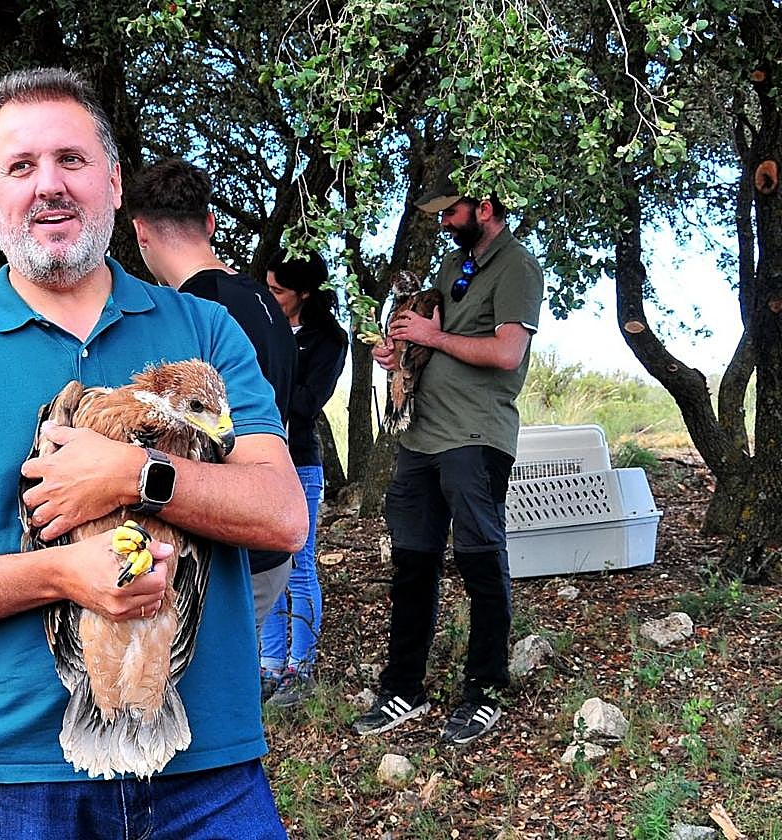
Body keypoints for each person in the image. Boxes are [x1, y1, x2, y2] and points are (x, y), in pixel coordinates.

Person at [0, 68, 307, 840]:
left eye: (71, 159)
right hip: (18, 780)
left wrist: (139, 476)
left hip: (208, 769)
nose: (49, 186)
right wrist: (62, 573)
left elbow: (283, 515)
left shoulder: (204, 331)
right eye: (21, 167)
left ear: (114, 179)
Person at [350, 162, 544, 745]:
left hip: (476, 436)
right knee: (413, 564)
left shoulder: (518, 267)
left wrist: (432, 338)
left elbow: (508, 353)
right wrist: (402, 353)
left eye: (451, 212)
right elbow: (433, 341)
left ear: (483, 208)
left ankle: (485, 692)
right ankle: (403, 689)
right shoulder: (451, 265)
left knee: (481, 561)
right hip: (421, 436)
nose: (443, 223)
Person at [123, 157, 297, 637]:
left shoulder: (194, 320)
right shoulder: (265, 303)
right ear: (210, 222)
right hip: (267, 545)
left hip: (229, 548)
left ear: (140, 233)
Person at [259, 250, 347, 708]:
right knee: (266, 563)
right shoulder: (264, 324)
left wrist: (270, 380)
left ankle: (301, 667)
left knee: (299, 565)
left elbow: (308, 403)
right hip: (258, 460)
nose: (270, 297)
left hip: (299, 461)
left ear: (304, 294)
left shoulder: (328, 339)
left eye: (278, 291)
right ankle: (269, 665)